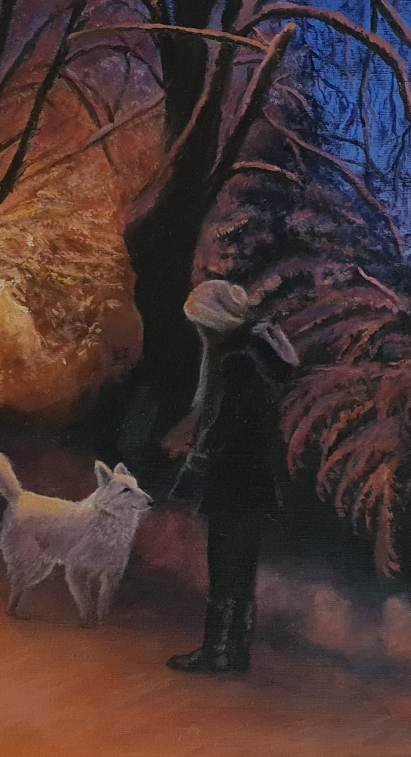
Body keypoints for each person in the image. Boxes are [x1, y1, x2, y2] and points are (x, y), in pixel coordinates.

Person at [161, 280, 297, 674]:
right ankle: (236, 650)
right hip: (257, 475)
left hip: (232, 476)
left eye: (201, 324)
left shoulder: (234, 359)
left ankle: (214, 650)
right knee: (244, 567)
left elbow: (227, 421)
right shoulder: (260, 352)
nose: (199, 333)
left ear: (214, 322)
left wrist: (199, 454)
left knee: (223, 564)